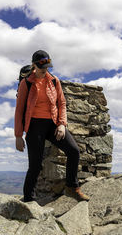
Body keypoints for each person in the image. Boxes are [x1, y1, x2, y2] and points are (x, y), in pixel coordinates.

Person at [14, 50, 90, 202]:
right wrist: (18, 136)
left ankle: (72, 188)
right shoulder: (26, 83)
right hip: (35, 125)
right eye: (42, 68)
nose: (45, 71)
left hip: (53, 124)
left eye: (47, 68)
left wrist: (62, 124)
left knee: (74, 151)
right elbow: (19, 109)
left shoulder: (54, 81)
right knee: (35, 166)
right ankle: (28, 199)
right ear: (34, 65)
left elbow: (61, 103)